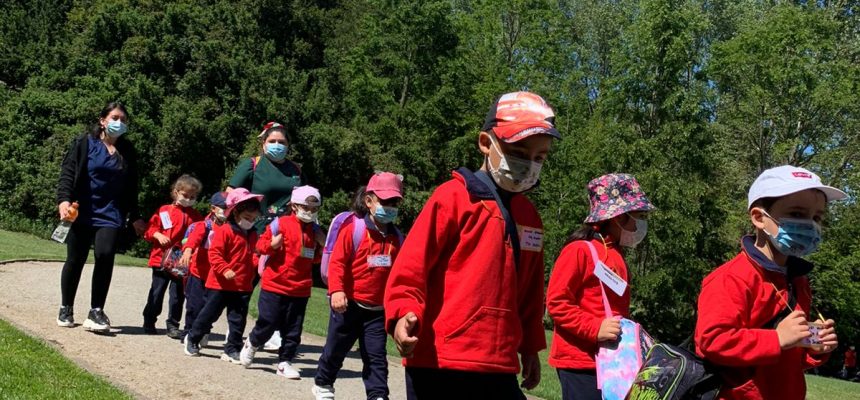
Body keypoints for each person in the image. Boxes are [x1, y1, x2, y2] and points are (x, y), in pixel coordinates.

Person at [383, 92, 559, 400]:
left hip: (500, 364)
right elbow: (412, 268)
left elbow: (530, 291)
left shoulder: (530, 217)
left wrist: (530, 347)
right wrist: (403, 313)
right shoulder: (452, 198)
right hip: (442, 360)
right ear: (485, 143)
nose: (528, 164)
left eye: (539, 157)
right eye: (518, 151)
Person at [695, 165, 843, 400]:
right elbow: (712, 341)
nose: (810, 225)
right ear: (759, 218)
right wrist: (776, 338)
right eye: (796, 214)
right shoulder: (731, 277)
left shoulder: (798, 280)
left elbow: (786, 356)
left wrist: (814, 348)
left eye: (817, 217)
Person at [546, 174, 654, 400]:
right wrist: (595, 328)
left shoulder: (616, 254)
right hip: (580, 362)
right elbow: (556, 303)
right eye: (639, 216)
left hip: (610, 363)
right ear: (618, 218)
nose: (642, 223)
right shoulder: (579, 251)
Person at [56, 101, 146, 332]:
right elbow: (68, 172)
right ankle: (66, 307)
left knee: (105, 256)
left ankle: (96, 310)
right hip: (81, 210)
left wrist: (134, 215)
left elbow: (131, 187)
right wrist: (63, 200)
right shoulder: (85, 143)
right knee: (75, 260)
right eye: (115, 118)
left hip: (111, 214)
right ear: (102, 120)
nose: (119, 123)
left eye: (123, 120)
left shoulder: (128, 152)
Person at [313, 173, 404, 400]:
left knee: (376, 357)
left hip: (376, 312)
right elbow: (338, 264)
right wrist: (337, 290)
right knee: (335, 349)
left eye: (394, 203)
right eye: (384, 202)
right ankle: (323, 383)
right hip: (348, 306)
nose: (390, 207)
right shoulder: (354, 230)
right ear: (369, 201)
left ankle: (378, 395)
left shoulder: (397, 238)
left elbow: (400, 273)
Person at [239, 185, 323, 379]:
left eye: (314, 209)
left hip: (300, 289)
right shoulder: (280, 224)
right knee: (267, 323)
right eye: (306, 207)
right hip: (274, 285)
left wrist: (321, 245)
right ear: (294, 206)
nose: (310, 212)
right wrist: (272, 244)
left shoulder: (316, 230)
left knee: (293, 330)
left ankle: (284, 362)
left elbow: (314, 260)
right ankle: (252, 342)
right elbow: (260, 247)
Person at [184, 188, 262, 363]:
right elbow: (215, 254)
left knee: (237, 320)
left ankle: (232, 348)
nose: (250, 221)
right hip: (219, 284)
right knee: (208, 315)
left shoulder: (253, 234)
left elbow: (255, 253)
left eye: (253, 219)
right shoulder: (225, 230)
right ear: (235, 212)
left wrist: (256, 265)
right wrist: (224, 269)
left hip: (242, 285)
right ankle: (193, 338)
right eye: (247, 218)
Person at [141, 175, 203, 338]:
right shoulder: (164, 211)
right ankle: (149, 320)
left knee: (178, 295)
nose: (188, 199)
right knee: (157, 291)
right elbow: (149, 230)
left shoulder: (196, 216)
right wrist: (158, 235)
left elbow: (199, 234)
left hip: (181, 261)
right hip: (161, 258)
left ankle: (173, 325)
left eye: (192, 197)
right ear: (176, 193)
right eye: (185, 195)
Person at [178, 191, 229, 344]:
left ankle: (204, 330)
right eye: (224, 207)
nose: (227, 211)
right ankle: (188, 332)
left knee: (213, 308)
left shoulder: (230, 228)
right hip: (199, 274)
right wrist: (188, 250)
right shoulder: (204, 225)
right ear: (213, 208)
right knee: (194, 306)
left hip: (217, 277)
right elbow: (194, 239)